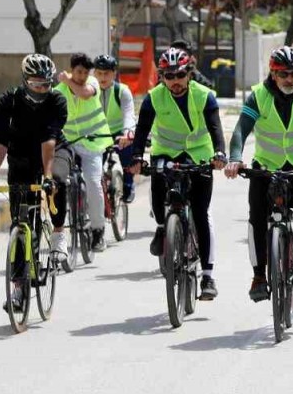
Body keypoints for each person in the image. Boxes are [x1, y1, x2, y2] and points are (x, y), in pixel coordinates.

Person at [224, 47, 293, 301]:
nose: (289, 79)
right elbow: (240, 131)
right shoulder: (258, 96)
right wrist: (236, 159)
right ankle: (259, 275)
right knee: (257, 218)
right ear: (273, 74)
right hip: (267, 168)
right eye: (283, 74)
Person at [130, 48, 227, 300]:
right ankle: (163, 227)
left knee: (200, 212)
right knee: (157, 183)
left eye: (180, 75)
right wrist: (138, 156)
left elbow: (216, 129)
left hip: (199, 155)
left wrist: (219, 154)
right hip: (167, 152)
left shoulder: (205, 96)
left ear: (189, 73)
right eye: (168, 76)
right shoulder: (154, 98)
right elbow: (141, 131)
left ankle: (207, 275)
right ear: (161, 77)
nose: (175, 81)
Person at [0, 55, 70, 311]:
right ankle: (18, 289)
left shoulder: (57, 100)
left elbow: (49, 141)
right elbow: (0, 143)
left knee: (59, 181)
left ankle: (60, 233)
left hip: (55, 150)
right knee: (18, 224)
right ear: (25, 81)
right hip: (21, 157)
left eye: (46, 84)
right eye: (36, 84)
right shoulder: (7, 102)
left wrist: (48, 178)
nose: (42, 89)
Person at [53, 54, 112, 251]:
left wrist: (67, 79)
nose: (82, 76)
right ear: (72, 69)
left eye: (86, 72)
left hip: (92, 144)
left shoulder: (92, 82)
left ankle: (98, 230)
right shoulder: (59, 91)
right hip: (68, 145)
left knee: (94, 182)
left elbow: (84, 93)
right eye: (79, 72)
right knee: (60, 181)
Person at [94, 54, 136, 202]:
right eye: (99, 73)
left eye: (106, 73)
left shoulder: (122, 91)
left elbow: (129, 114)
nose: (102, 77)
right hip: (98, 134)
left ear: (114, 73)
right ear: (94, 74)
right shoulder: (89, 91)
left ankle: (128, 184)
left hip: (119, 133)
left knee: (128, 153)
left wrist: (128, 133)